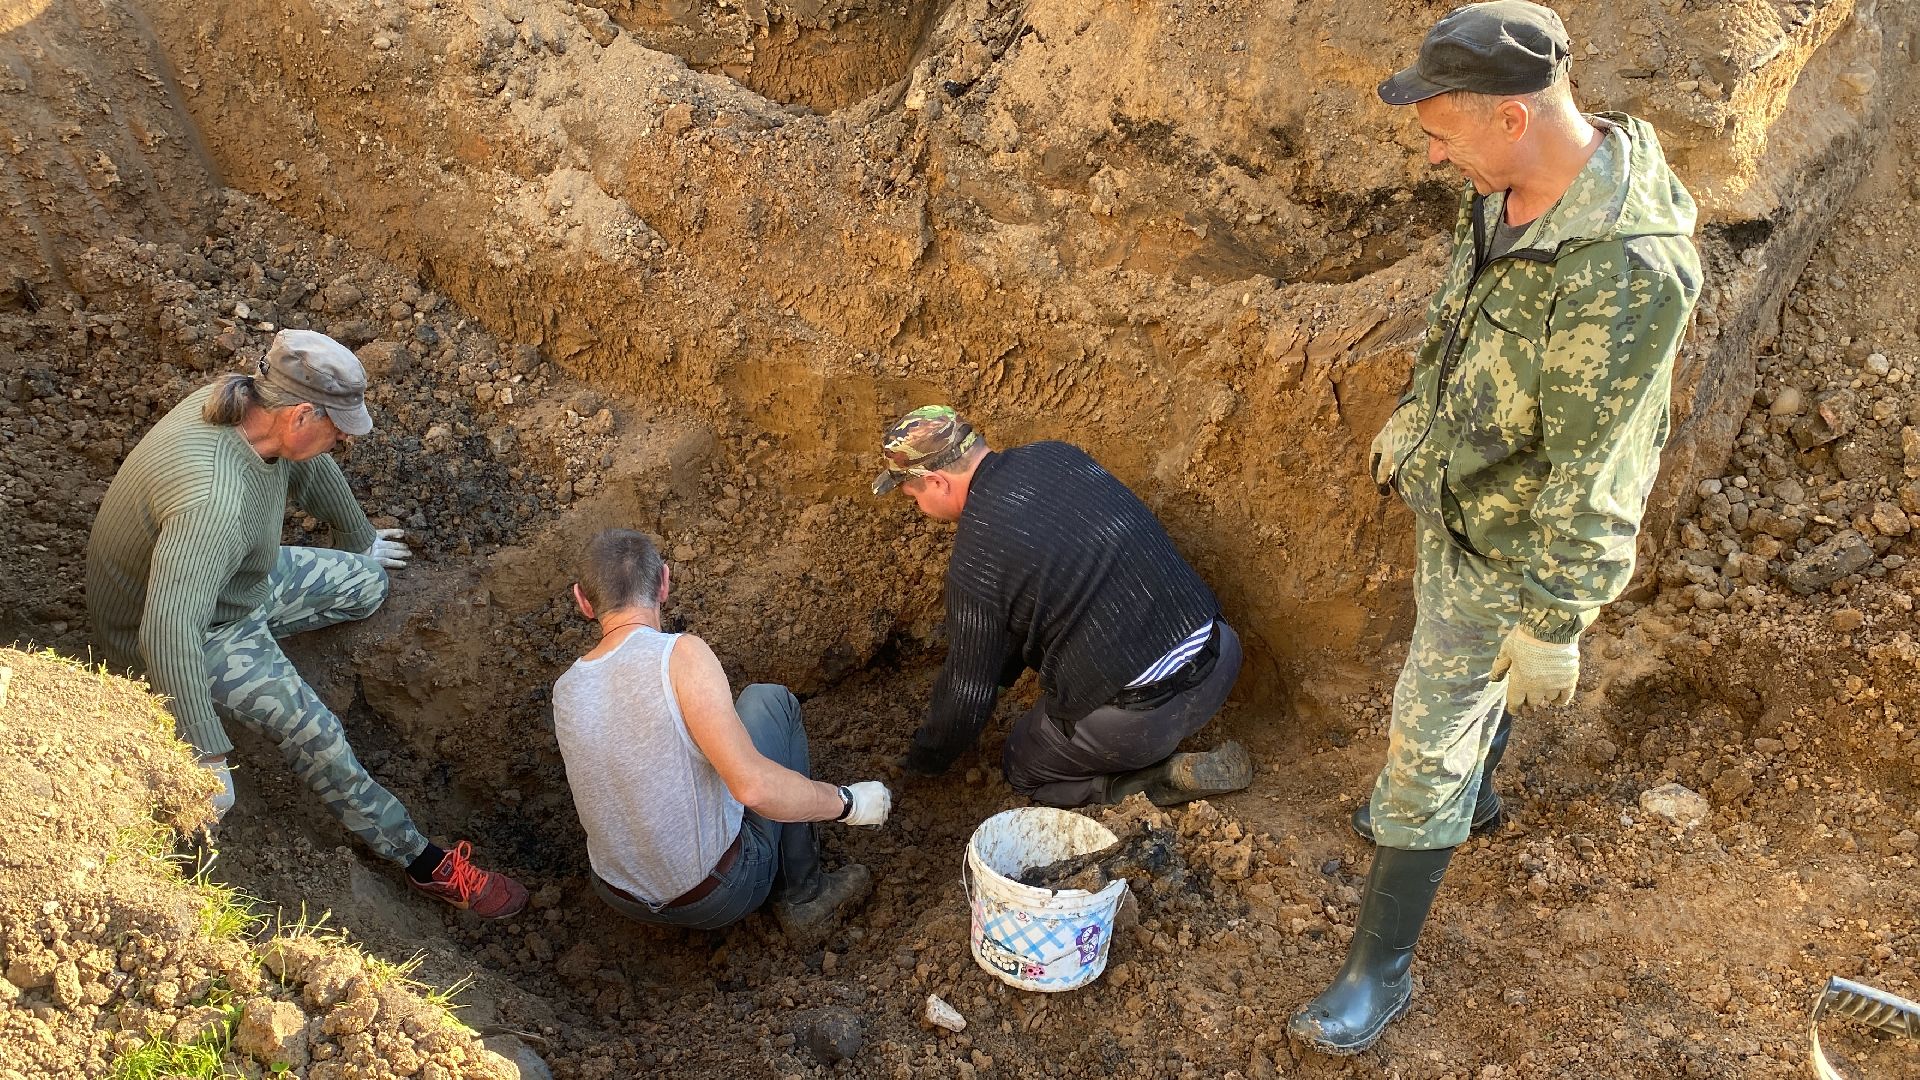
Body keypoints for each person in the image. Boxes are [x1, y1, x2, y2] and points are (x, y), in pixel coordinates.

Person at [1287, 0, 1702, 1055]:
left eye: (1441, 131)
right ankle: (1466, 796)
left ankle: (1377, 974)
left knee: (1424, 744)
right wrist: (1418, 423)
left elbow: (1601, 465)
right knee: (1456, 727)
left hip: (1515, 551)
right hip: (1463, 500)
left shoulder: (1622, 268)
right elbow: (1462, 322)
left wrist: (1556, 618)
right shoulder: (1512, 191)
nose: (1429, 156)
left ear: (1514, 116)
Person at [86, 330, 528, 918]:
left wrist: (360, 538)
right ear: (299, 414)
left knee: (367, 582)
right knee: (320, 736)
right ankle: (421, 860)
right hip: (178, 635)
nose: (343, 442)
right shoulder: (213, 500)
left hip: (236, 582)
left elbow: (311, 472)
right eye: (337, 430)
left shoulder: (248, 414)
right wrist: (205, 752)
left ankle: (349, 572)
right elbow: (170, 630)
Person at [874, 405, 1252, 807]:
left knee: (1022, 766)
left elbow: (967, 692)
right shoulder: (1059, 455)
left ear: (936, 481)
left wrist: (926, 760)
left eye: (913, 496)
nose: (919, 508)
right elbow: (1037, 596)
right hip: (1220, 658)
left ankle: (1151, 782)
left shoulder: (976, 560)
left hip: (1138, 724)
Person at [552, 529, 890, 947]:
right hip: (717, 896)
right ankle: (805, 894)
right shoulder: (681, 655)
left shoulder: (566, 688)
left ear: (583, 601)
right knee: (769, 702)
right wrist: (847, 804)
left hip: (619, 895)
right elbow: (752, 787)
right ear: (664, 582)